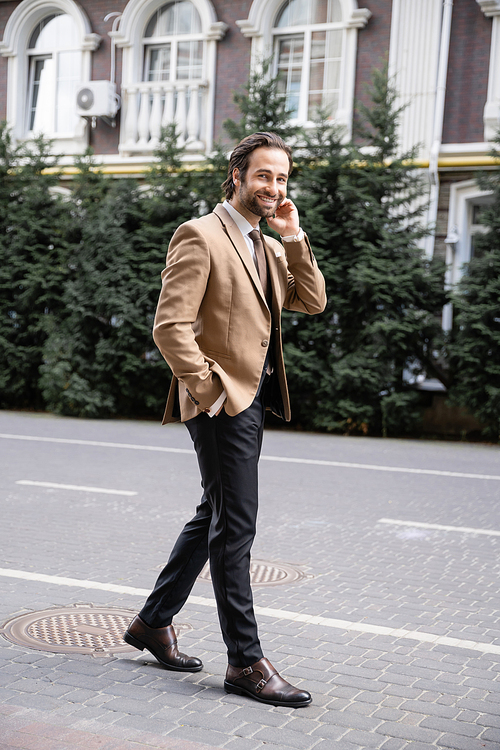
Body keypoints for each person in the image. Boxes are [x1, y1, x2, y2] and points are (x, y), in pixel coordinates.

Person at [125, 131, 326, 708]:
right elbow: (170, 326)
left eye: (283, 178)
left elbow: (310, 301)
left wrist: (292, 236)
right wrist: (210, 391)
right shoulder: (200, 234)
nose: (274, 187)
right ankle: (245, 662)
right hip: (222, 403)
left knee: (215, 513)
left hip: (252, 400)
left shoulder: (266, 243)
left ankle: (152, 623)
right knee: (236, 527)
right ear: (236, 175)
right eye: (264, 175)